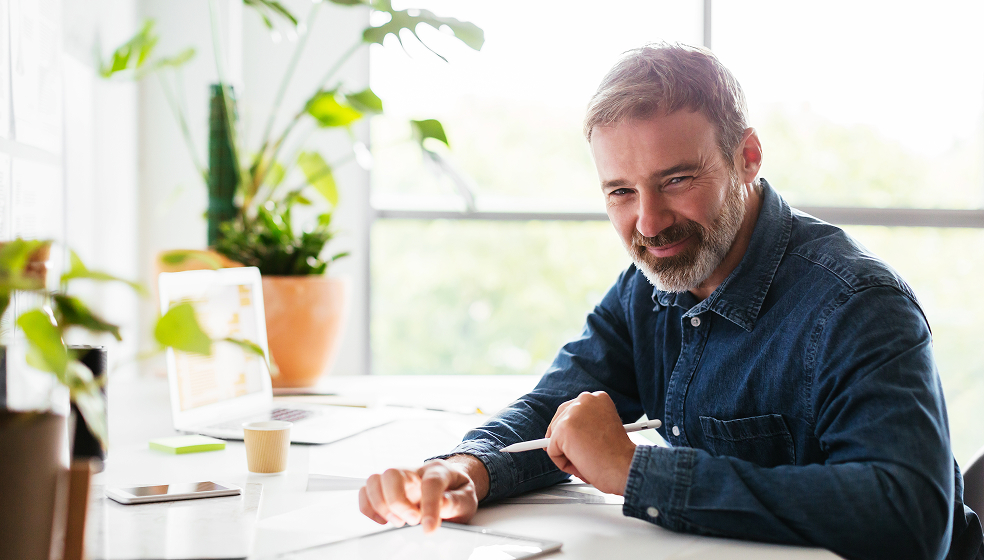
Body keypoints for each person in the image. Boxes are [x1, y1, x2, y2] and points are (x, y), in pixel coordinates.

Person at [358, 43, 984, 560]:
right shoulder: (656, 282)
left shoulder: (857, 305)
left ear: (748, 157)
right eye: (621, 192)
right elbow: (559, 408)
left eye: (676, 180)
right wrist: (469, 468)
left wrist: (635, 473)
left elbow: (911, 519)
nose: (649, 223)